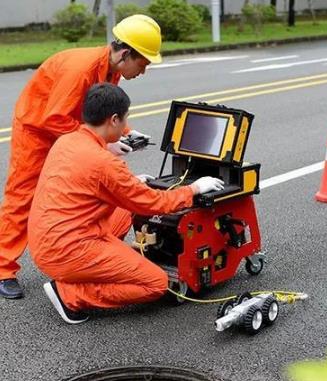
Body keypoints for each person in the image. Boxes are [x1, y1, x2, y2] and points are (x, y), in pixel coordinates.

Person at [27, 83, 224, 324]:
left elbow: (90, 183)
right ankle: (70, 294)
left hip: (45, 239)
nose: (125, 128)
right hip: (66, 250)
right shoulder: (105, 164)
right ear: (113, 119)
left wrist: (128, 177)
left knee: (124, 207)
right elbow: (154, 204)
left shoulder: (67, 141)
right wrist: (195, 189)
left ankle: (102, 267)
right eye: (125, 120)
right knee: (157, 283)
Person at [0, 14, 163, 299]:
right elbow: (55, 118)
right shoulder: (82, 68)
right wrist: (104, 143)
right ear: (125, 54)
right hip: (37, 130)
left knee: (85, 191)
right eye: (143, 63)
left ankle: (85, 254)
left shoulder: (110, 68)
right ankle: (3, 269)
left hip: (68, 128)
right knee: (22, 196)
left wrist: (128, 132)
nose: (144, 71)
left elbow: (103, 110)